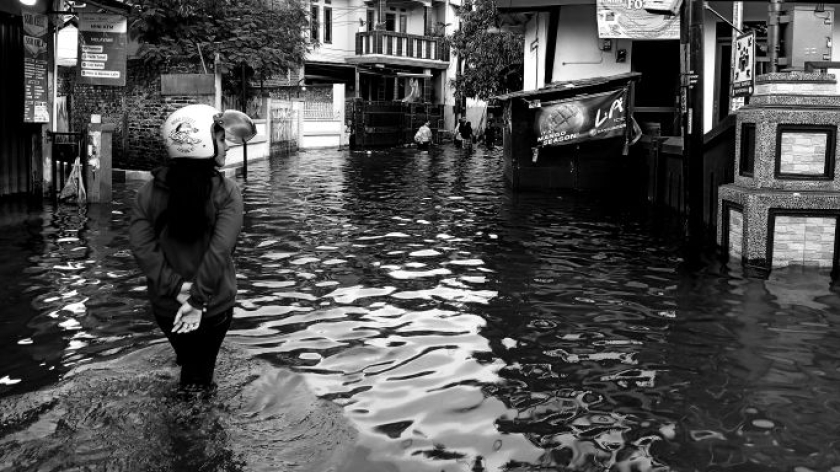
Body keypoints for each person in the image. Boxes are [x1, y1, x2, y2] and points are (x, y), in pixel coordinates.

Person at [129, 104, 254, 396]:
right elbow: (219, 251)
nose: (227, 147)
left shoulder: (148, 192)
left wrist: (177, 288)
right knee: (198, 386)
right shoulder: (227, 192)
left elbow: (141, 247)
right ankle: (188, 436)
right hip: (212, 308)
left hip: (165, 307)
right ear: (203, 142)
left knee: (189, 363)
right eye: (222, 139)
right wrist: (196, 300)